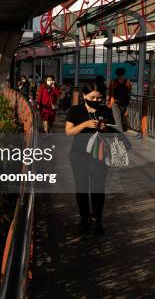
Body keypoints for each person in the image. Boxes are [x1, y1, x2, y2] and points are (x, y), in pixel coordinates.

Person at [65, 81, 114, 236]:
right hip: (79, 155)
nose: (96, 100)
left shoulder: (106, 111)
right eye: (92, 97)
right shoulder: (75, 110)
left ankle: (97, 220)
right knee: (82, 187)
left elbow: (113, 133)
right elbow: (69, 132)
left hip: (100, 155)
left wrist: (105, 128)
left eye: (99, 98)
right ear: (84, 95)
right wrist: (85, 124)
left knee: (98, 188)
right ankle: (84, 218)